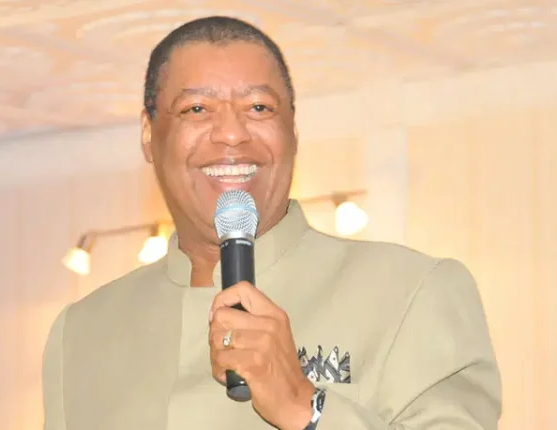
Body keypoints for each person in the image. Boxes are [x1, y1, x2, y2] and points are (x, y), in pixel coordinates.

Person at [41, 16, 501, 430]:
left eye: (259, 108)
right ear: (149, 134)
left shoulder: (412, 291)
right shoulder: (81, 333)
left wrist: (306, 407)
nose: (232, 133)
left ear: (292, 131)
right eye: (196, 109)